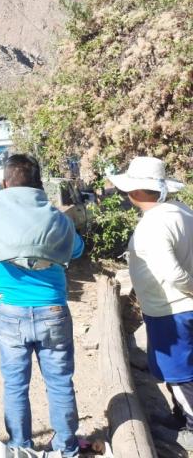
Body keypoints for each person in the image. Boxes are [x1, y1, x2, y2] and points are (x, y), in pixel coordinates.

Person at [0, 154, 85, 457]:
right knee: (60, 383)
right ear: (38, 184)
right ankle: (67, 448)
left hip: (9, 310)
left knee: (15, 385)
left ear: (4, 184)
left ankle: (20, 446)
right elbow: (77, 250)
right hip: (53, 310)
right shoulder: (56, 217)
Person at [108, 157, 193, 450]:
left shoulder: (154, 224)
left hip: (171, 309)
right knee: (181, 370)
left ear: (139, 191)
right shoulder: (180, 211)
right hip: (178, 307)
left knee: (179, 374)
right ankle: (180, 417)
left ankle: (191, 428)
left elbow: (173, 273)